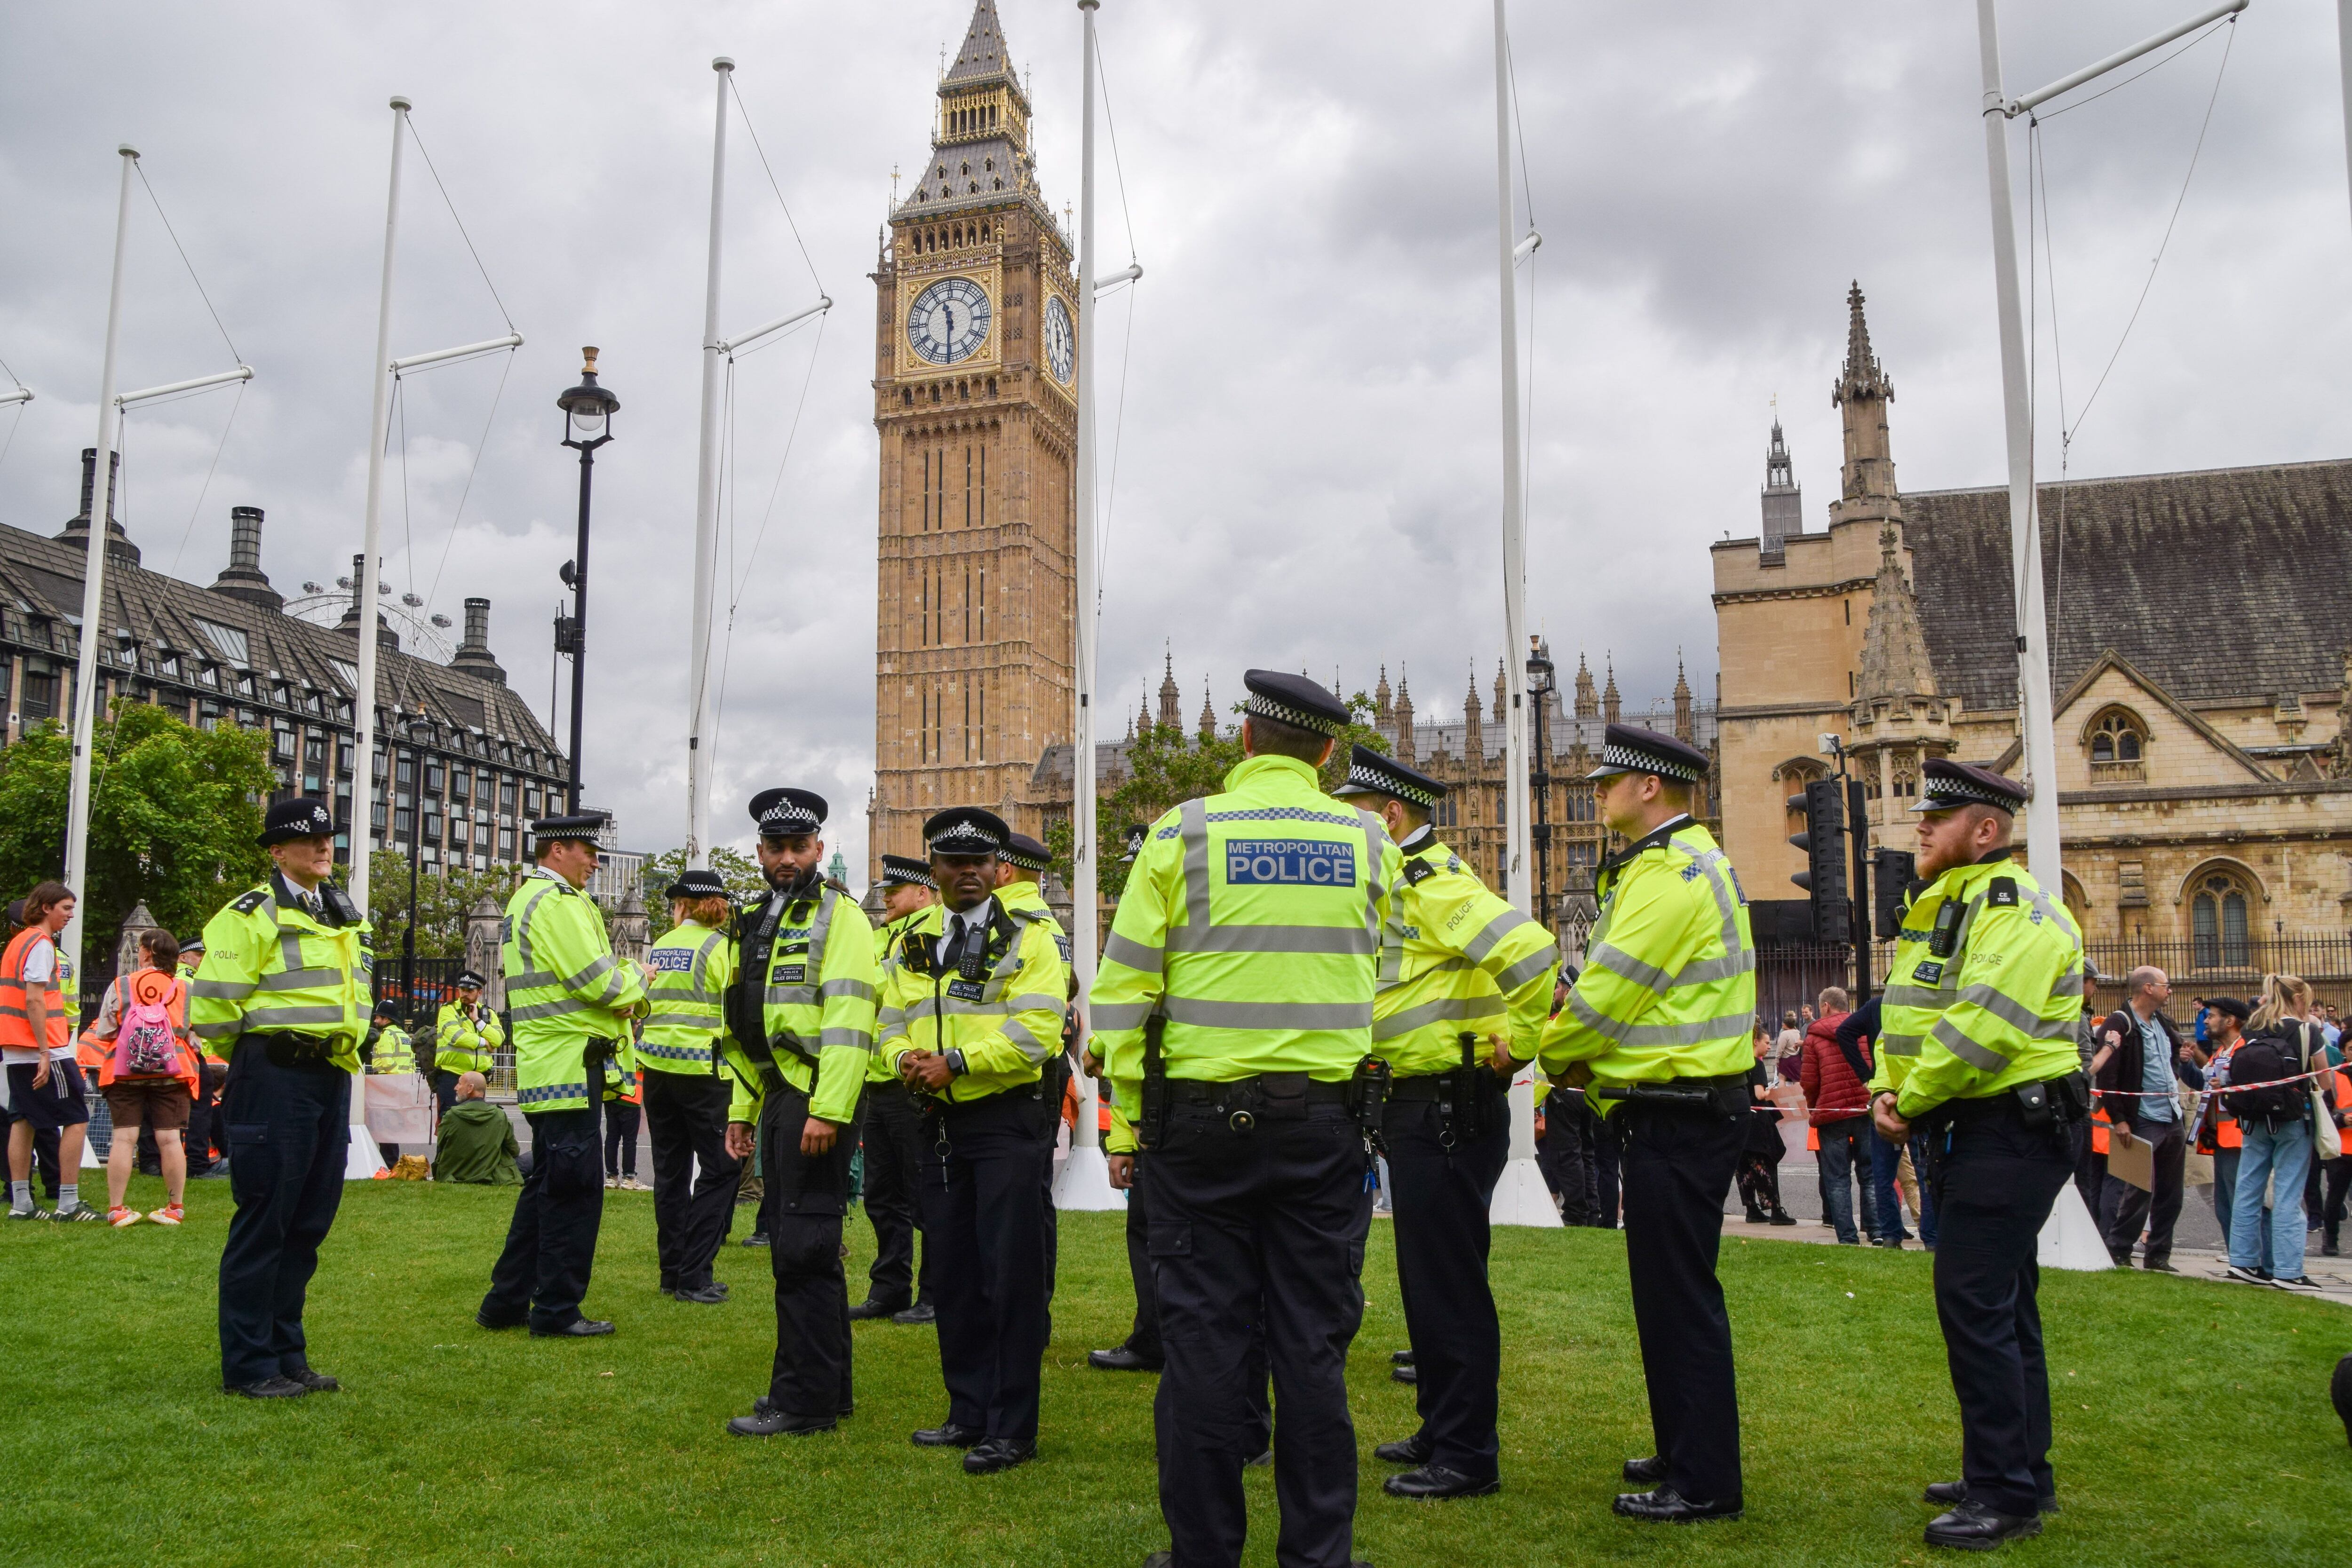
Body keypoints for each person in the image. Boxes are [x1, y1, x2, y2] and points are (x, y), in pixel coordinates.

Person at [1091, 670, 1399, 1568]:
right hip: (1326, 1124)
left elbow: (1123, 994)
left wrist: (1124, 1109)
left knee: (1202, 1345)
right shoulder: (1370, 839)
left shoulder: (1182, 831)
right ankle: (1318, 1554)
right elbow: (1378, 971)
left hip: (1199, 1127)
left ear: (1245, 741)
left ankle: (1204, 1552)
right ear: (1329, 752)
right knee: (1312, 1347)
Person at [1531, 723, 1754, 1524]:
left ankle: (1702, 1479)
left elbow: (1603, 997)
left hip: (1680, 1110)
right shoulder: (1684, 862)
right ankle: (1682, 1445)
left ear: (1650, 785)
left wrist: (1553, 1054)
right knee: (1666, 1295)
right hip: (1675, 1105)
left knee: (1680, 1298)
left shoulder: (1668, 875)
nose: (1594, 793)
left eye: (1607, 782)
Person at [1327, 744, 1555, 1502]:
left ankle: (1467, 1453)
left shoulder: (1432, 882)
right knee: (1428, 1280)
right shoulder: (1398, 882)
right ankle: (1441, 1425)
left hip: (1446, 1105)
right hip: (1418, 1103)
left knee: (1450, 1283)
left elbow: (1533, 950)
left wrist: (1519, 1047)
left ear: (1390, 815)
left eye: (1354, 812)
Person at [1867, 760, 2086, 1549]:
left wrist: (1912, 1098)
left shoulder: (2015, 908)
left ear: (1986, 830)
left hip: (2012, 1126)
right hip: (1973, 1124)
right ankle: (2018, 1465)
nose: (1919, 825)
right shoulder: (1944, 907)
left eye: (1939, 815)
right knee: (2004, 1303)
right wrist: (1887, 1089)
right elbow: (1909, 1015)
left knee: (1973, 1300)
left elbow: (1985, 1025)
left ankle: (2003, 1492)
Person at [881, 805, 1068, 1474]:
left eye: (980, 862)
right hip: (934, 1122)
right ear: (933, 869)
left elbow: (1039, 1031)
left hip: (1004, 1122)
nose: (968, 873)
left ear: (998, 868)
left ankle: (1013, 1427)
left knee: (1009, 1275)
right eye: (954, 863)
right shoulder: (911, 938)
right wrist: (904, 1059)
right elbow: (891, 1016)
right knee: (954, 1272)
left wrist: (956, 1063)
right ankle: (967, 1411)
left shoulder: (1032, 935)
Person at [190, 800, 371, 1397]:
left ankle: (287, 1355)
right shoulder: (250, 913)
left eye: (328, 837)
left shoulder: (341, 914)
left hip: (327, 1076)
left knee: (306, 1223)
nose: (324, 847)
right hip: (272, 1075)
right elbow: (213, 1009)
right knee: (266, 1219)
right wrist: (267, 1051)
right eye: (310, 839)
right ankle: (249, 1365)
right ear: (277, 851)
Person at [720, 789, 879, 1438]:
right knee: (800, 1245)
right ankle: (825, 1389)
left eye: (799, 846)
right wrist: (741, 1108)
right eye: (775, 847)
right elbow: (743, 1024)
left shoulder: (841, 916)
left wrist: (830, 1109)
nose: (787, 857)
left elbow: (850, 1020)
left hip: (817, 1097)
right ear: (760, 852)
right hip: (780, 1096)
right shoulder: (757, 917)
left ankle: (803, 1401)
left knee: (805, 1249)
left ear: (818, 848)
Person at [478, 813, 648, 1339]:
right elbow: (598, 980)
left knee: (546, 1187)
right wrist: (639, 976)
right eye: (586, 851)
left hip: (552, 1063)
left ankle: (506, 1301)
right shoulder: (556, 903)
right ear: (556, 851)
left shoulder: (529, 900)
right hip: (570, 1064)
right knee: (573, 1192)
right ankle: (556, 1309)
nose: (595, 862)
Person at [636, 869, 742, 1306]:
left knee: (671, 1173)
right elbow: (737, 1009)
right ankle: (695, 1275)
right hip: (705, 1073)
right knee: (721, 1171)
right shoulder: (723, 948)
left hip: (658, 1072)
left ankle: (671, 1272)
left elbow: (646, 1002)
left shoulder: (662, 944)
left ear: (683, 904)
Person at [855, 854, 940, 1324]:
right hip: (878, 1080)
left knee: (925, 1194)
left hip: (913, 1083)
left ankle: (933, 1292)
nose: (886, 897)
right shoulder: (880, 937)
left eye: (896, 890)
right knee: (880, 1194)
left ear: (924, 892)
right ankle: (888, 1288)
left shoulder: (933, 933)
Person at [997, 830, 1076, 1304]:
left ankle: (1029, 1305)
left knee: (1024, 1201)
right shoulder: (1050, 920)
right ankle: (1035, 1301)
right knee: (1036, 1196)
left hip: (1027, 1074)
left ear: (1003, 870)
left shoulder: (1017, 922)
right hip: (1048, 1070)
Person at [2224, 974, 2329, 1291]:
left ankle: (2243, 1262)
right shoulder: (2307, 1030)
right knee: (2287, 1193)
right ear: (2298, 999)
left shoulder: (2254, 1029)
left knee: (2248, 1189)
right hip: (2292, 1120)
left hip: (2253, 1120)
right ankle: (2288, 1270)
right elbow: (2324, 1081)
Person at [88, 928, 198, 1227]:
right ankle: (175, 1207)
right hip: (172, 1070)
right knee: (170, 1139)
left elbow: (105, 1031)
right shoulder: (184, 988)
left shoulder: (121, 984)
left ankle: (117, 1209)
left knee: (124, 1138)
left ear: (148, 952)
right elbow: (195, 1033)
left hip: (124, 1071)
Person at [4, 882, 99, 1221]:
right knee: (77, 1116)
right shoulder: (41, 945)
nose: (71, 916)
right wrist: (46, 1051)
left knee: (23, 1118)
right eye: (66, 909)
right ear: (46, 907)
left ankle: (22, 1203)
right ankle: (69, 1203)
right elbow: (33, 998)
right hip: (44, 1049)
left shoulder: (19, 942)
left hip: (16, 1047)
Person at [2093, 966, 2191, 1271]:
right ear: (2148, 988)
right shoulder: (2120, 1023)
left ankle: (2159, 1254)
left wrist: (2177, 1068)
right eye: (2166, 985)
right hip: (2142, 1119)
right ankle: (2119, 1249)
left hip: (2171, 1116)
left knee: (2171, 1194)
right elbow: (2108, 1077)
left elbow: (2172, 1055)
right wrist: (2120, 1118)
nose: (2170, 990)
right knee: (2137, 1191)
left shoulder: (2162, 1022)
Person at [1801, 987, 1880, 1245]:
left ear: (1825, 1006)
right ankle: (1876, 1229)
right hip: (1863, 1106)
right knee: (1869, 1172)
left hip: (1831, 1111)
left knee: (1836, 1177)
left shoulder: (1813, 1036)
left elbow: (1810, 1081)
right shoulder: (1864, 1028)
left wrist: (1816, 1106)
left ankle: (1847, 1236)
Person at [2190, 997, 2263, 1268]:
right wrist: (2188, 1063)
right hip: (2218, 1138)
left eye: (2212, 1016)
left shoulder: (2245, 1049)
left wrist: (2229, 1084)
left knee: (2238, 1200)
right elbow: (2203, 1082)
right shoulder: (2221, 1052)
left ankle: (2246, 1258)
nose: (2206, 1020)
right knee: (2224, 1203)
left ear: (2230, 1021)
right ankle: (2238, 1255)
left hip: (2238, 1137)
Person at [1739, 1021, 1797, 1226]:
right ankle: (1775, 1210)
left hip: (1740, 1121)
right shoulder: (1757, 1064)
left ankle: (1751, 1208)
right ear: (1755, 1042)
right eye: (1766, 1042)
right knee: (1765, 1164)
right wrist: (1770, 1091)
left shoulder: (1738, 1063)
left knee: (1744, 1166)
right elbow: (1759, 1094)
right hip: (1758, 1124)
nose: (1769, 1046)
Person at [430, 972, 502, 1119]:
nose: (465, 994)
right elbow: (457, 1037)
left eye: (470, 991)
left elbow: (499, 1039)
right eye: (462, 990)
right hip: (453, 1076)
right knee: (451, 1122)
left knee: (475, 1123)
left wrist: (478, 1021)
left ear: (479, 992)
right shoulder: (448, 1010)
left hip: (478, 1079)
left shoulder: (488, 1013)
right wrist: (485, 1043)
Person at [434, 1072, 521, 1184]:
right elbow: (514, 1150)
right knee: (535, 1158)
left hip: (454, 1173)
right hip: (491, 1174)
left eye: (460, 1084)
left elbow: (442, 1144)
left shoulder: (451, 1116)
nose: (456, 1088)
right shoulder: (500, 1116)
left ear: (470, 1088)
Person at [361, 1006, 416, 1165]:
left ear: (387, 1019)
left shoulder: (385, 1035)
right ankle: (390, 1161)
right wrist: (405, 1080)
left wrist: (395, 1078)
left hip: (387, 1084)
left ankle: (389, 1163)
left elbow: (387, 1062)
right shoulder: (404, 1036)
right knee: (393, 1126)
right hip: (402, 1084)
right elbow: (411, 1062)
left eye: (378, 1017)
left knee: (385, 1127)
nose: (375, 1021)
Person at [604, 1058, 644, 1190]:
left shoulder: (616, 1044)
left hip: (612, 1095)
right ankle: (629, 1177)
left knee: (612, 1138)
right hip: (631, 1097)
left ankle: (611, 1177)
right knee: (630, 1141)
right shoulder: (637, 1049)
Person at [1774, 1011, 1804, 1084]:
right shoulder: (1798, 1033)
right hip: (1796, 1059)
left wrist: (1777, 1059)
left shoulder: (1784, 1034)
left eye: (1783, 1023)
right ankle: (1798, 1094)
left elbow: (1780, 1048)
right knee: (1797, 1079)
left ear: (1786, 1025)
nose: (1782, 1024)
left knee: (1782, 1078)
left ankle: (1783, 1094)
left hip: (1785, 1060)